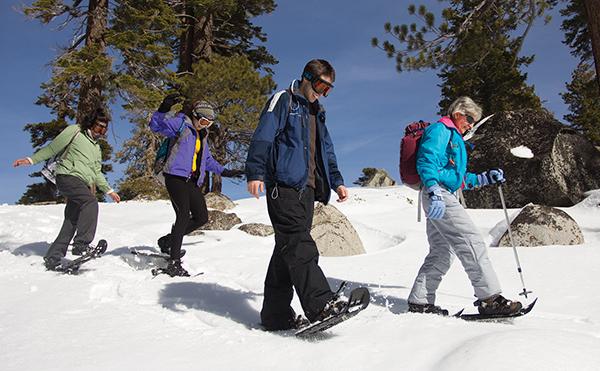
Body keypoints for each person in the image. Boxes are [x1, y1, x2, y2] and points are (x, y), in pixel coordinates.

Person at [245, 59, 350, 331]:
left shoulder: (317, 112)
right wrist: (255, 171)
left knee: (285, 251)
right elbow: (264, 135)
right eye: (319, 85)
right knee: (300, 245)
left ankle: (275, 316)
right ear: (305, 77)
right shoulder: (284, 100)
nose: (321, 93)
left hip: (308, 191)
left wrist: (336, 180)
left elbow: (326, 150)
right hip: (284, 187)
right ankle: (320, 304)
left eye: (328, 90)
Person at [407, 96, 523, 316]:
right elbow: (426, 159)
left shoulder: (453, 137)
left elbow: (457, 178)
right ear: (458, 113)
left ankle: (420, 300)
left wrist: (485, 178)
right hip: (438, 193)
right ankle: (490, 299)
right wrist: (433, 189)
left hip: (441, 193)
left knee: (443, 251)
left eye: (473, 121)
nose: (470, 125)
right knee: (471, 240)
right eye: (469, 119)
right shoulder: (440, 130)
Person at [13, 107, 121, 270]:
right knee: (90, 202)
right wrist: (31, 160)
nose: (102, 131)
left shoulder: (96, 148)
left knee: (72, 220)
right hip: (67, 177)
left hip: (81, 183)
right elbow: (52, 149)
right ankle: (81, 244)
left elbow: (96, 172)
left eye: (105, 129)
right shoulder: (75, 131)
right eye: (99, 126)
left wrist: (109, 191)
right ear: (91, 123)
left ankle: (53, 256)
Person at [150, 96, 242, 277]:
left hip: (191, 181)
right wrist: (164, 107)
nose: (205, 125)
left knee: (201, 217)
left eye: (209, 123)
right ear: (194, 116)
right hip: (175, 177)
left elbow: (207, 160)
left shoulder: (202, 135)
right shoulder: (181, 124)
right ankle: (174, 263)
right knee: (183, 215)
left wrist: (225, 172)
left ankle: (167, 241)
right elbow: (156, 126)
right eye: (202, 121)